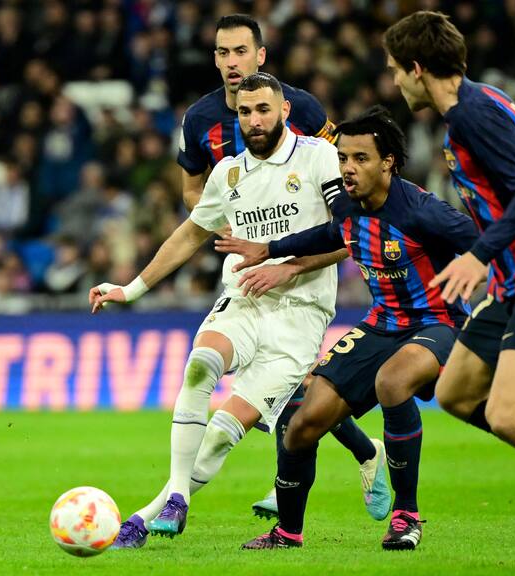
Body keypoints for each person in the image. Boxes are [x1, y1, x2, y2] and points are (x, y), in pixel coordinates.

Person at [92, 72, 355, 548]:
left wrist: (287, 267)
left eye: (263, 110)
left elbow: (350, 233)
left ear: (284, 111)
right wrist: (130, 289)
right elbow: (191, 234)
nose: (254, 120)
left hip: (301, 315)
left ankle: (148, 513)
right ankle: (177, 497)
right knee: (200, 366)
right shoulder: (229, 173)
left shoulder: (320, 158)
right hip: (246, 298)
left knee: (220, 436)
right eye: (245, 112)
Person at [383, 10, 515, 567]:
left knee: (507, 414)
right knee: (455, 393)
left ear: (416, 67)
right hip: (513, 284)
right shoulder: (479, 103)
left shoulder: (473, 116)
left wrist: (479, 254)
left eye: (395, 70)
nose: (395, 83)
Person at [218, 106, 477, 550]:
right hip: (382, 324)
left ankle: (406, 516)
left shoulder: (421, 211)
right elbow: (330, 234)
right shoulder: (345, 203)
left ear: (387, 162)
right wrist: (270, 248)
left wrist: (494, 289)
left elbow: (480, 242)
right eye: (342, 158)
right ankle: (287, 532)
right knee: (301, 422)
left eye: (360, 158)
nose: (347, 169)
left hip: (438, 321)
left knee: (392, 382)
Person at [179, 12, 385, 523]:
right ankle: (361, 453)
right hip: (243, 255)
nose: (232, 62)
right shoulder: (198, 119)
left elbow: (340, 172)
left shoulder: (303, 108)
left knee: (285, 377)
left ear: (260, 55)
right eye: (223, 53)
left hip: (302, 260)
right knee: (286, 381)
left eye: (241, 52)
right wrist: (227, 212)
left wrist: (292, 247)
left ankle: (292, 483)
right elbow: (192, 191)